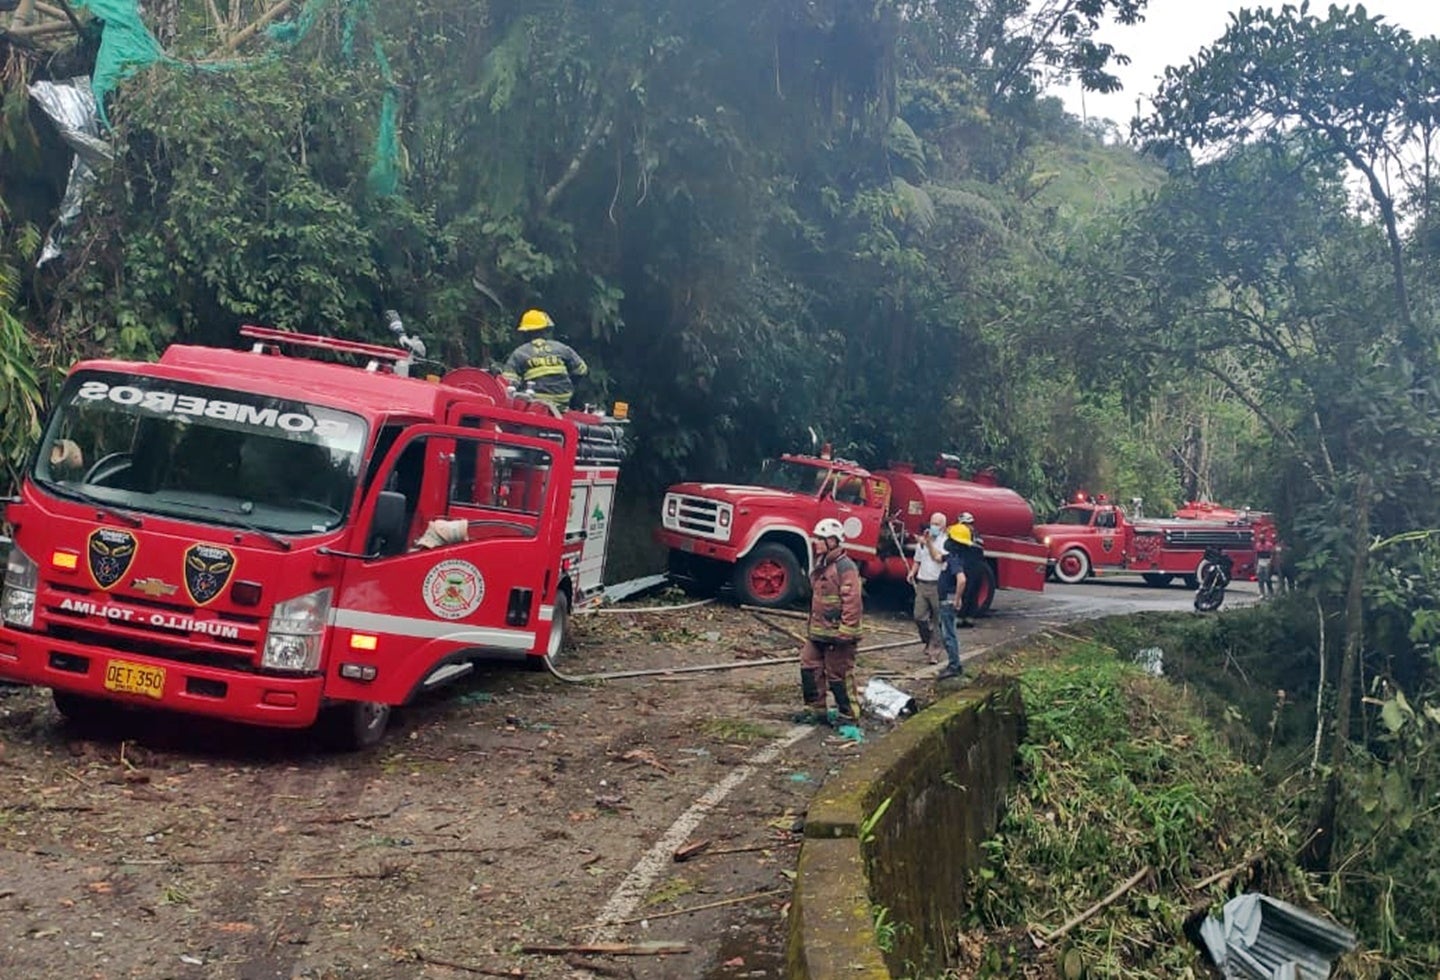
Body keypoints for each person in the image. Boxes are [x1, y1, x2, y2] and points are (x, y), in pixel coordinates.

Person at [795, 517, 864, 736]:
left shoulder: (845, 567)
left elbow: (852, 600)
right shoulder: (822, 563)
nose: (816, 542)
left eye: (820, 539)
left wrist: (846, 630)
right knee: (809, 666)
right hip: (818, 631)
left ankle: (848, 715)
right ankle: (816, 710)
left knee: (839, 675)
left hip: (838, 635)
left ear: (833, 541)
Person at [500, 309, 589, 410]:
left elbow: (508, 383)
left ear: (526, 332)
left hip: (533, 404)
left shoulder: (519, 353)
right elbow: (582, 371)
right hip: (562, 403)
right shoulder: (562, 348)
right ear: (546, 330)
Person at [907, 512, 947, 663]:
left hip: (938, 584)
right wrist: (912, 572)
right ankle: (928, 639)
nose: (934, 526)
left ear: (943, 527)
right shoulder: (922, 542)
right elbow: (918, 560)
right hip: (923, 583)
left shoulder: (945, 543)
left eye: (937, 524)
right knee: (919, 616)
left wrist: (929, 543)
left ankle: (934, 653)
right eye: (932, 523)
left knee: (937, 620)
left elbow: (938, 558)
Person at [936, 521, 971, 680]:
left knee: (949, 634)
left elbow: (961, 580)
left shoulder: (955, 559)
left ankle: (954, 666)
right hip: (946, 600)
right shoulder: (950, 557)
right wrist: (928, 542)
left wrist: (956, 599)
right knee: (948, 633)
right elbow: (937, 557)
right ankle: (954, 664)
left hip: (948, 602)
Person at [956, 511, 983, 629]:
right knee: (971, 590)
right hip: (976, 564)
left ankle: (962, 617)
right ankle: (968, 617)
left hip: (971, 565)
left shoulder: (969, 534)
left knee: (967, 591)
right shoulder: (976, 534)